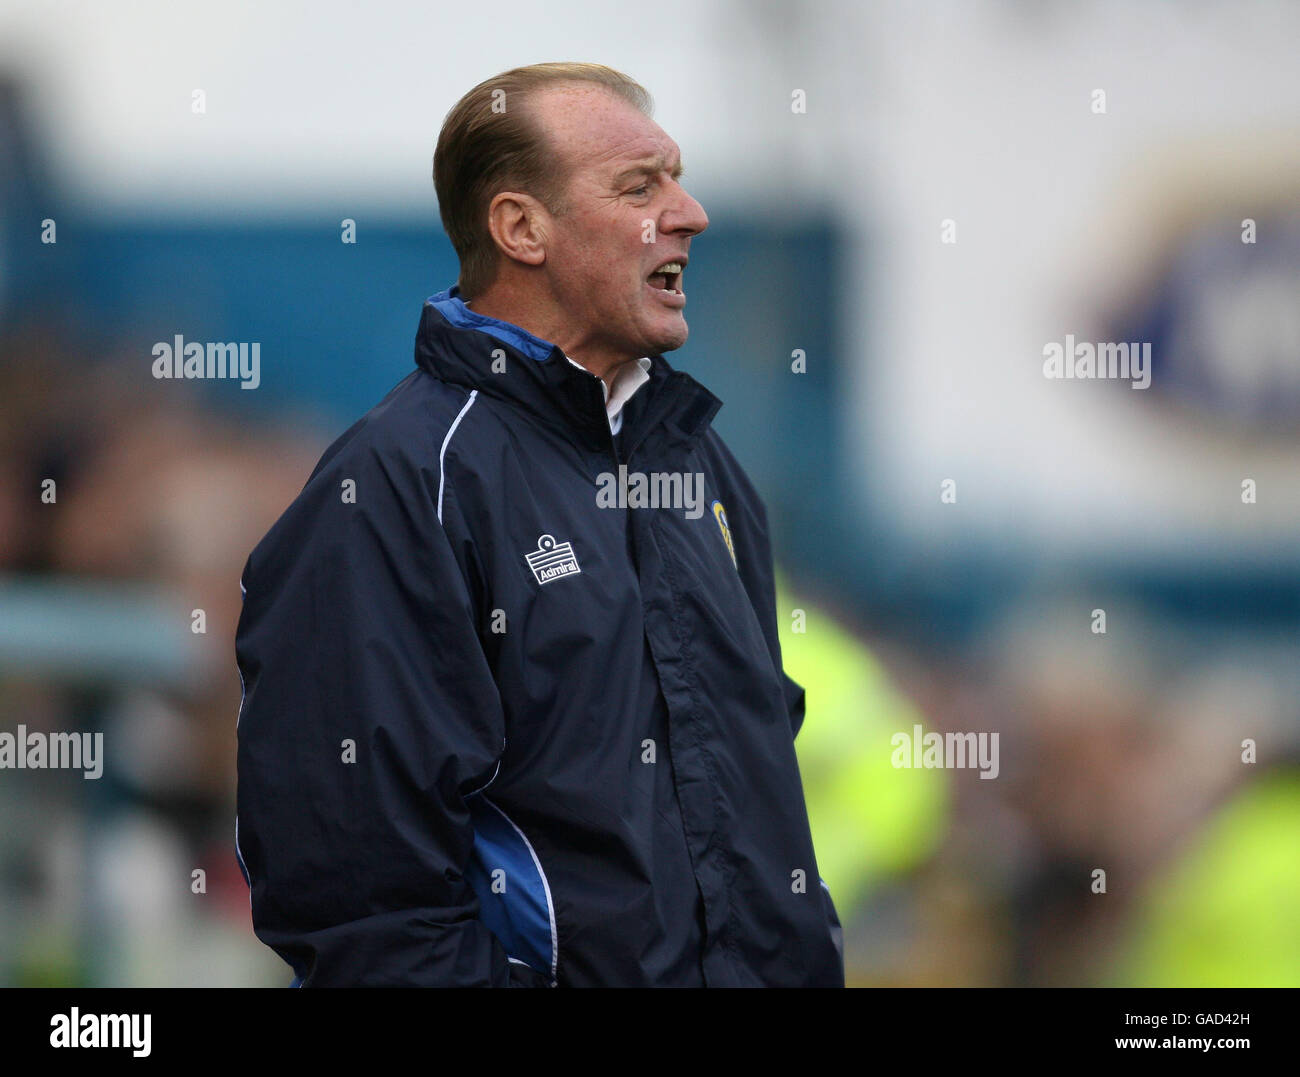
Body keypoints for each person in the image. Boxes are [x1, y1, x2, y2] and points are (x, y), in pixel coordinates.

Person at [234, 61, 844, 987]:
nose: (691, 213)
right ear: (521, 228)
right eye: (640, 185)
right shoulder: (399, 481)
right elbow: (357, 893)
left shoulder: (699, 463)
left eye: (675, 176)